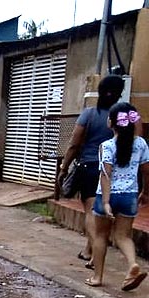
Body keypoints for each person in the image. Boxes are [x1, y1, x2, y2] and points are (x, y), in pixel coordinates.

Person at [59, 75, 126, 265]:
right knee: (103, 212)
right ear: (119, 93)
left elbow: (74, 143)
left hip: (89, 167)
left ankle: (94, 254)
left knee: (90, 211)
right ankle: (89, 249)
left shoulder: (89, 114)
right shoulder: (125, 116)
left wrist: (64, 168)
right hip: (114, 170)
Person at [86, 102, 149, 290]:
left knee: (100, 236)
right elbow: (147, 171)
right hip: (129, 196)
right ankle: (132, 265)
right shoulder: (141, 143)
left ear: (110, 123)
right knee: (124, 236)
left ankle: (97, 277)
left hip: (107, 196)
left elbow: (105, 175)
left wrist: (105, 202)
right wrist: (146, 192)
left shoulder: (106, 146)